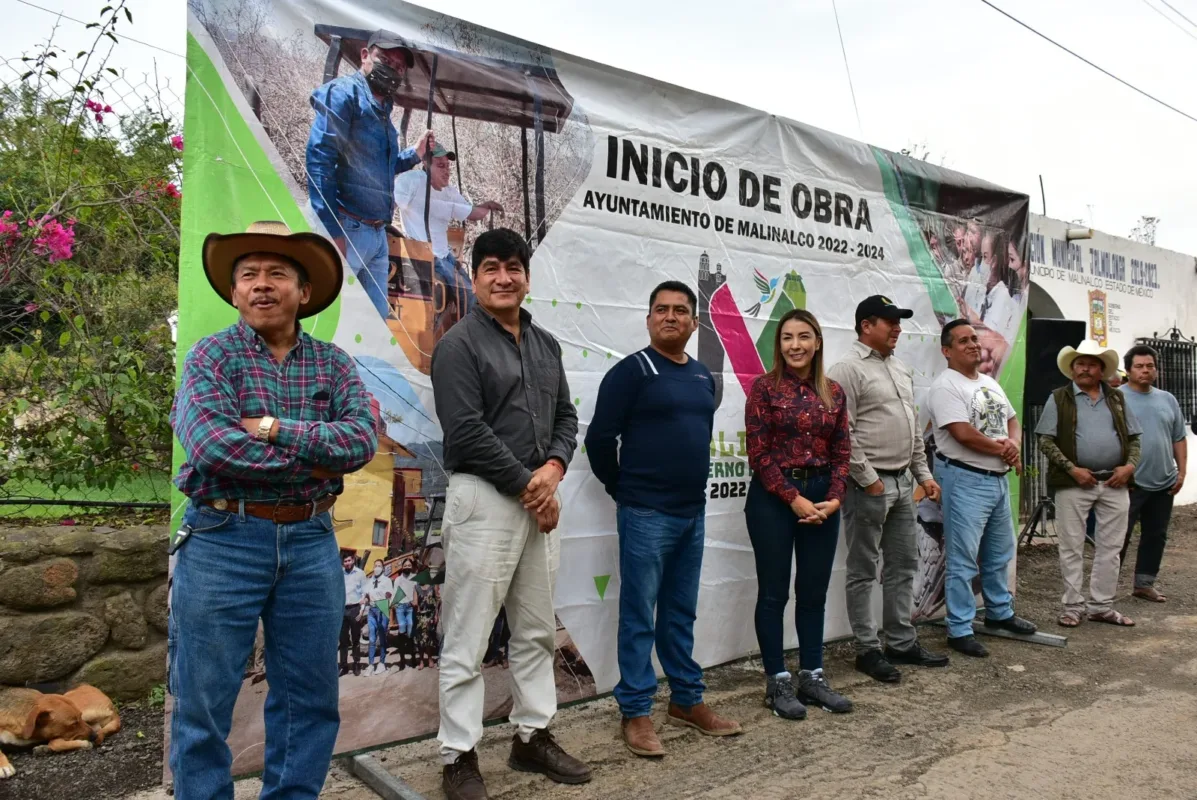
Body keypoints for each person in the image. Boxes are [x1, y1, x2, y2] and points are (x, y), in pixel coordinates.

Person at [168, 220, 378, 798]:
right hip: (220, 535)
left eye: (277, 274)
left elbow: (361, 441)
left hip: (310, 541)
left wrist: (270, 429)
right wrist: (316, 459)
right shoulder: (211, 357)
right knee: (203, 702)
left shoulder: (333, 364)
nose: (262, 285)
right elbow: (211, 446)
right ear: (234, 292)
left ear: (304, 292)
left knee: (310, 698)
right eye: (249, 275)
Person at [430, 228, 589, 799]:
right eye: (492, 267)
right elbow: (467, 431)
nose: (504, 277)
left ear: (526, 275)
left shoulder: (546, 344)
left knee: (536, 630)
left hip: (539, 497)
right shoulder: (459, 345)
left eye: (514, 268)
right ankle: (458, 755)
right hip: (484, 501)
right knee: (468, 638)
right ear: (475, 278)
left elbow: (567, 417)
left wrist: (554, 469)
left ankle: (532, 737)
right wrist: (532, 486)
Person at [585, 280, 741, 758]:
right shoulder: (632, 372)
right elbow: (598, 441)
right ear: (648, 319)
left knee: (679, 614)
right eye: (661, 310)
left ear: (696, 323)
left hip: (692, 512)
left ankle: (687, 702)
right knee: (638, 618)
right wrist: (623, 490)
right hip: (645, 514)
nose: (670, 317)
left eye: (680, 310)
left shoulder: (700, 377)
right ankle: (635, 712)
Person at [827, 296, 949, 684]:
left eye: (898, 322)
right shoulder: (846, 369)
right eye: (890, 322)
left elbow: (913, 429)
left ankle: (900, 641)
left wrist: (924, 475)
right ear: (866, 326)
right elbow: (842, 432)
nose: (897, 327)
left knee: (903, 566)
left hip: (903, 481)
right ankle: (867, 649)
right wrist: (869, 479)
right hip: (870, 486)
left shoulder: (898, 367)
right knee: (863, 569)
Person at [744, 309, 854, 719]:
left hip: (823, 498)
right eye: (787, 337)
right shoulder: (764, 389)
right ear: (779, 345)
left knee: (813, 592)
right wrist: (793, 498)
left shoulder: (835, 392)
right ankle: (777, 681)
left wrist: (836, 496)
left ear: (817, 342)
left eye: (803, 336)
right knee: (773, 593)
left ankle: (812, 675)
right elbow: (759, 454)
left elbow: (843, 451)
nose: (795, 345)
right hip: (774, 499)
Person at [306, 30, 435, 319]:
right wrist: (331, 231)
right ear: (365, 56)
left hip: (376, 236)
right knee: (325, 317)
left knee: (373, 324)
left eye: (399, 67)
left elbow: (382, 168)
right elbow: (319, 162)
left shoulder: (383, 111)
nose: (392, 70)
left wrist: (415, 153)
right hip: (346, 229)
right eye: (385, 60)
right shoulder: (344, 94)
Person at [928, 320, 1037, 658]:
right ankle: (959, 629)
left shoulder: (989, 381)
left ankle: (1000, 613)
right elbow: (961, 432)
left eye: (974, 338)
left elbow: (1012, 420)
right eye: (963, 341)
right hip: (965, 479)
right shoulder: (946, 386)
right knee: (963, 560)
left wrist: (1014, 444)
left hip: (996, 479)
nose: (973, 344)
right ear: (947, 351)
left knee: (999, 553)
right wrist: (1002, 449)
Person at [1036, 340, 1142, 628]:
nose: (1085, 368)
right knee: (1071, 546)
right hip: (1074, 484)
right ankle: (1072, 606)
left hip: (1114, 482)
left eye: (1092, 363)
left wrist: (1129, 467)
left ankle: (1101, 606)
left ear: (1101, 370)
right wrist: (1072, 470)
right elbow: (1045, 439)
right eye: (1080, 363)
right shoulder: (1058, 398)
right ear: (1072, 369)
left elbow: (1134, 439)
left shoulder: (1117, 399)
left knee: (1111, 546)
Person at [393, 143, 504, 333]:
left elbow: (472, 213)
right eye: (440, 166)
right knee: (467, 293)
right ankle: (473, 337)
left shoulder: (449, 192)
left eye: (448, 166)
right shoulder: (411, 181)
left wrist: (488, 205)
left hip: (445, 256)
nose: (447, 171)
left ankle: (472, 331)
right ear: (426, 165)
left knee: (474, 289)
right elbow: (391, 202)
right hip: (424, 255)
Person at [1119, 345, 1187, 602]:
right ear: (1128, 370)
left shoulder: (1167, 399)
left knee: (1156, 534)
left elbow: (1178, 437)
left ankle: (1144, 584)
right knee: (1119, 536)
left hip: (1164, 481)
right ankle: (1105, 589)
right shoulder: (1116, 398)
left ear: (1156, 370)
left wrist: (1181, 473)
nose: (1145, 371)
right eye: (1139, 366)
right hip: (1129, 483)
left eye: (1150, 366)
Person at [364, 559, 394, 675]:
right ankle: (371, 665)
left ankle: (382, 663)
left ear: (383, 567)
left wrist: (387, 596)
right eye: (375, 565)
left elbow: (389, 595)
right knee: (371, 637)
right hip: (371, 609)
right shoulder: (370, 581)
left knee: (381, 636)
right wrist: (364, 600)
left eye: (379, 566)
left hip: (382, 608)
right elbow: (367, 595)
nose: (377, 568)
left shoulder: (386, 581)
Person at [340, 552, 367, 676]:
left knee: (355, 638)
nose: (347, 563)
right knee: (343, 639)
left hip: (355, 609)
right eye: (345, 561)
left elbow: (364, 593)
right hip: (342, 610)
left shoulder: (360, 574)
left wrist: (362, 611)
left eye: (349, 561)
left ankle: (356, 663)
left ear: (353, 560)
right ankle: (343, 665)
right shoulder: (340, 573)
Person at [393, 561, 418, 668]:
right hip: (400, 607)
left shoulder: (415, 578)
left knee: (411, 628)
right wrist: (394, 603)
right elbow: (395, 592)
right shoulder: (398, 579)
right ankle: (402, 659)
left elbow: (417, 591)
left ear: (411, 567)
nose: (407, 567)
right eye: (405, 565)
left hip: (410, 607)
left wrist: (415, 602)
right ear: (402, 567)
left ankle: (413, 657)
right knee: (402, 628)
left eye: (409, 565)